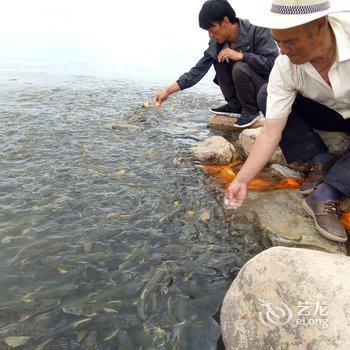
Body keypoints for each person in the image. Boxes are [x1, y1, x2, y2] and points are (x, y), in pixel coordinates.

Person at [225, 0, 350, 243]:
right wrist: (241, 180)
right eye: (277, 41)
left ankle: (327, 192)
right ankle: (320, 160)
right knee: (266, 94)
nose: (283, 50)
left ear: (319, 25)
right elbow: (271, 133)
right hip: (326, 111)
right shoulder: (285, 65)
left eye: (290, 41)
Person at [154, 0, 279, 128]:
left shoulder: (258, 29)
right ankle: (236, 105)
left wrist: (243, 56)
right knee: (219, 59)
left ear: (225, 21)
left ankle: (251, 111)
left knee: (240, 66)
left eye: (211, 28)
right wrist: (167, 91)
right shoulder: (217, 43)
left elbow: (274, 63)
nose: (210, 35)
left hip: (264, 91)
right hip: (245, 91)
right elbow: (198, 70)